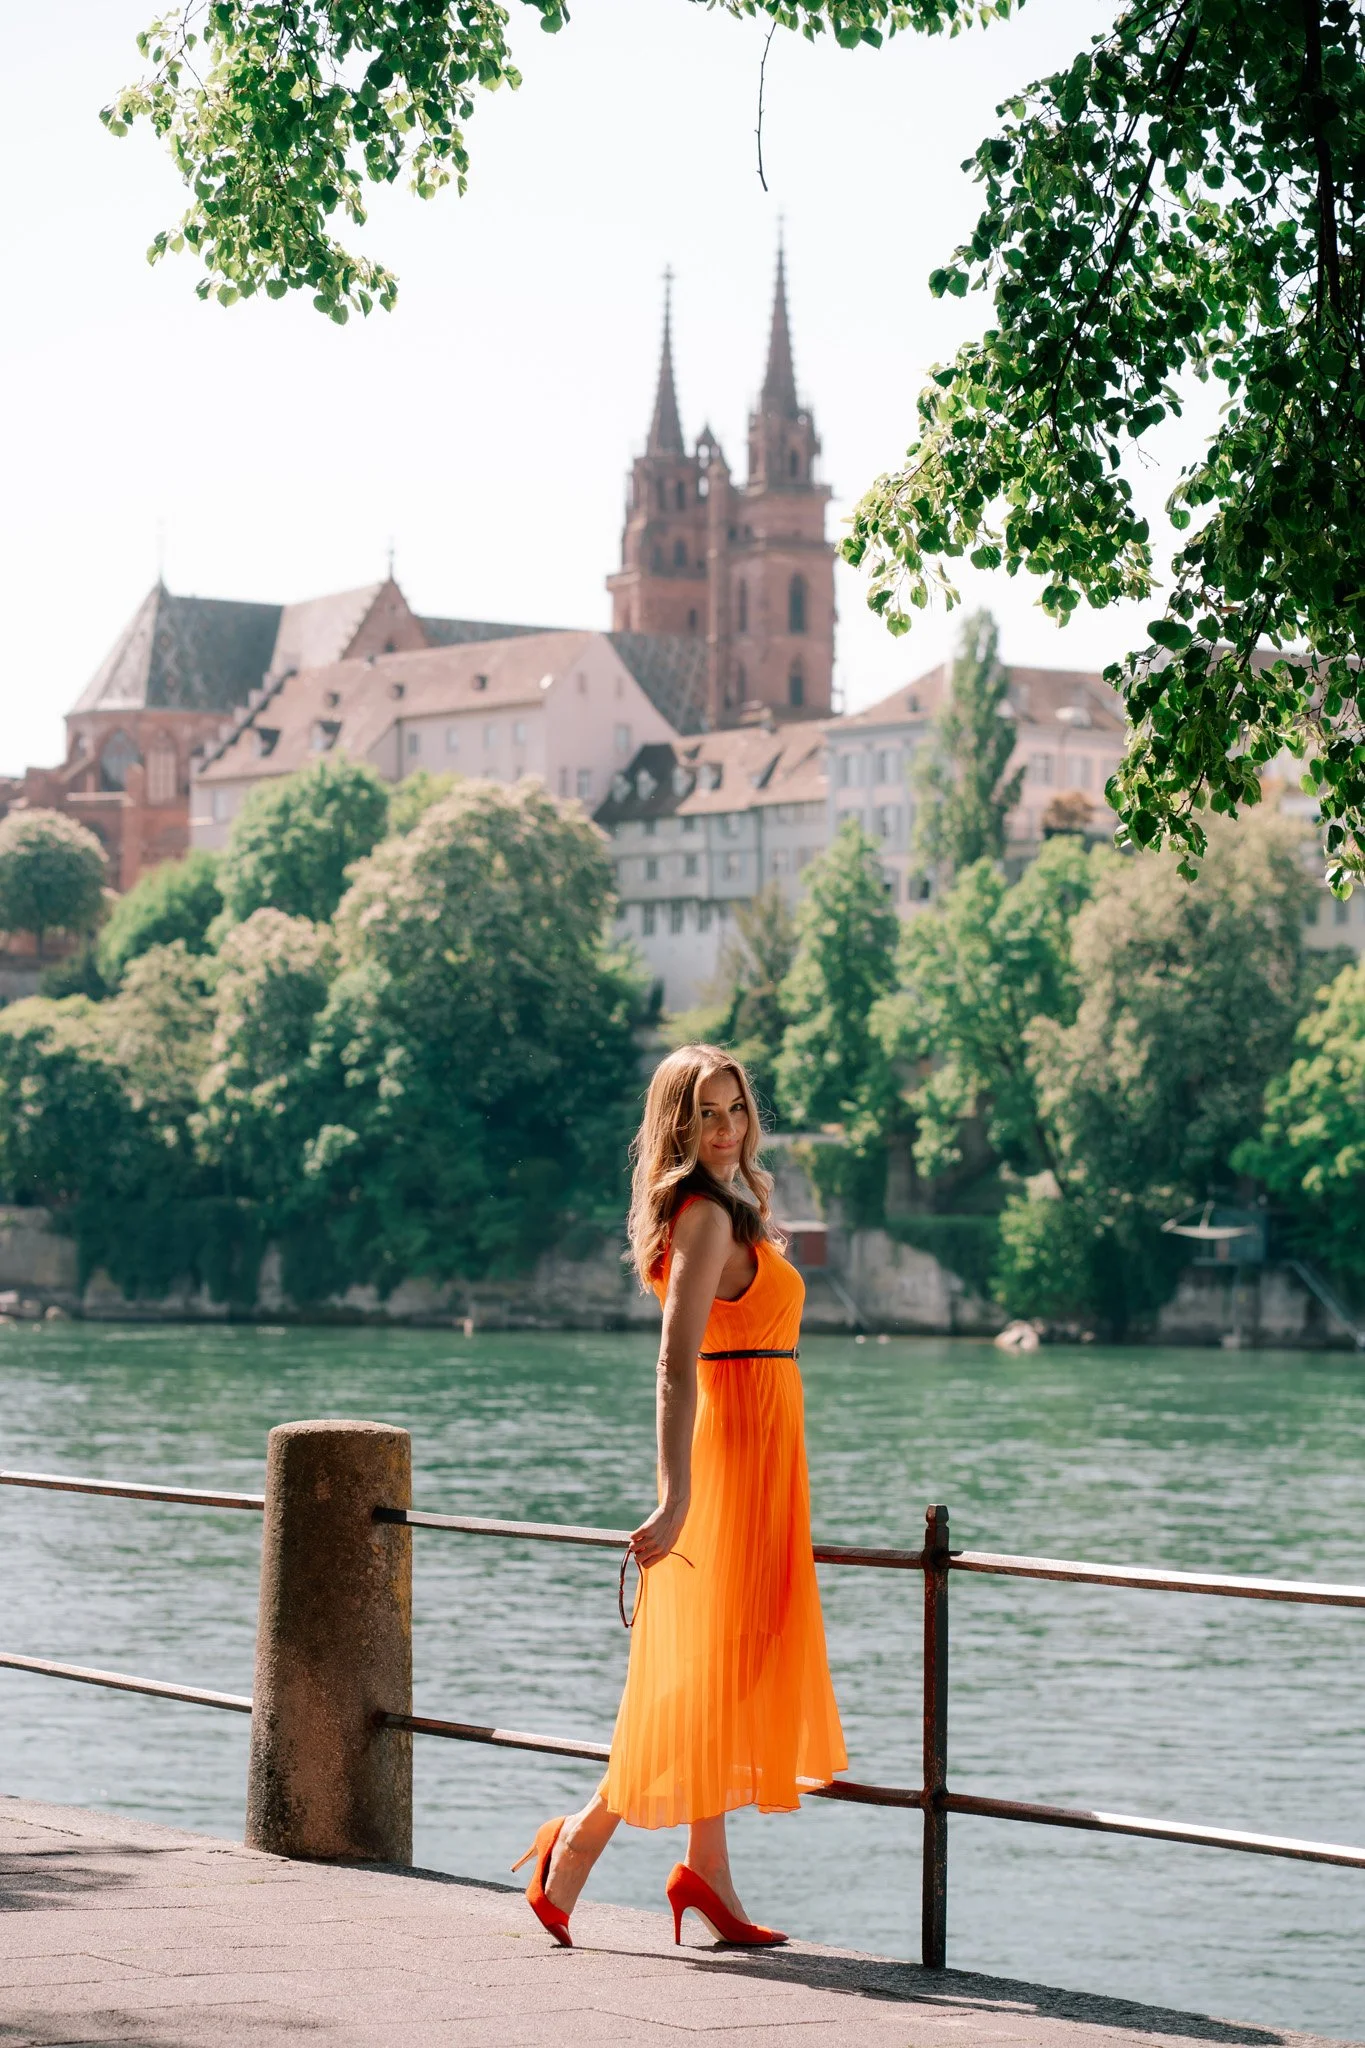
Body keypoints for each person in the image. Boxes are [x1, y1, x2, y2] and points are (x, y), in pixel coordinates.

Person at [512, 1044, 847, 1947]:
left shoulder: (734, 1205)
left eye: (736, 1108)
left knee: (731, 1662)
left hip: (765, 1448)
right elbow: (673, 1361)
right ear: (677, 1124)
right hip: (729, 1461)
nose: (728, 1127)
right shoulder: (702, 1217)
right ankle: (574, 1845)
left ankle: (708, 1873)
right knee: (694, 1671)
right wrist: (675, 1498)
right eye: (707, 1112)